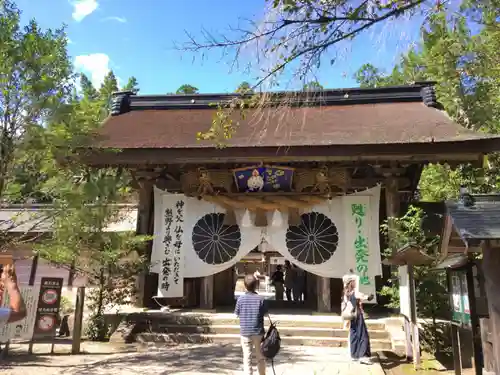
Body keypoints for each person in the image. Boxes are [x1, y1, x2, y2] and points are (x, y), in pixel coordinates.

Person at [234, 274, 268, 375]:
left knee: (247, 357)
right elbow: (265, 314)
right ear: (256, 285)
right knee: (260, 357)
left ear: (245, 285)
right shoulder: (261, 299)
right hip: (258, 332)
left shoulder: (240, 299)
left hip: (245, 332)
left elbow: (236, 314)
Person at [343, 275, 374, 364]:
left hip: (351, 315)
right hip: (357, 314)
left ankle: (354, 354)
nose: (356, 283)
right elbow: (361, 296)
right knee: (362, 334)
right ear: (351, 283)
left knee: (354, 334)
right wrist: (368, 297)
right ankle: (363, 356)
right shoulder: (354, 292)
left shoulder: (346, 292)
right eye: (354, 281)